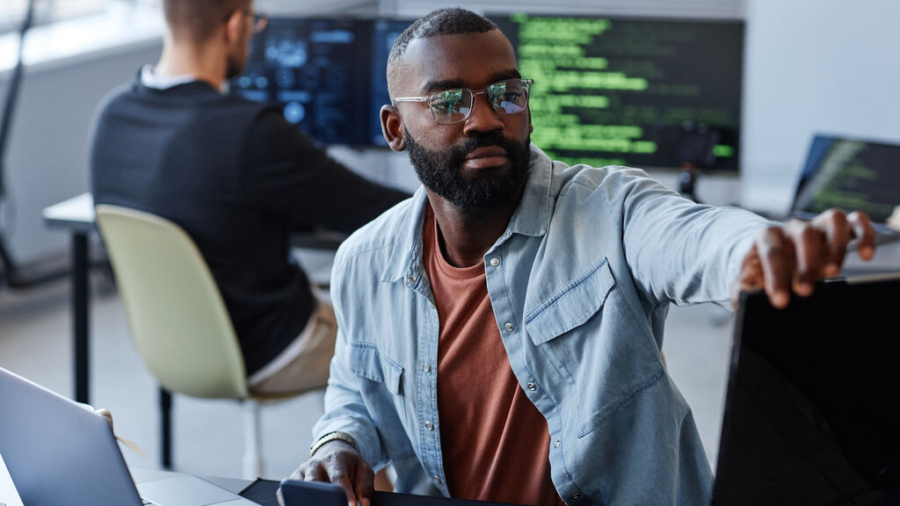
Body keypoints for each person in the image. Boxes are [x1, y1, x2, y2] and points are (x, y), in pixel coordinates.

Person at [287, 8, 877, 506]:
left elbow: (694, 236)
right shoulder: (365, 261)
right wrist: (338, 442)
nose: (487, 120)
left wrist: (759, 248)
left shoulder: (610, 209)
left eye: (505, 94)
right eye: (448, 103)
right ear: (395, 128)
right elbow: (353, 393)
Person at [89, 0, 408, 395]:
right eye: (254, 22)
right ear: (235, 25)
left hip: (168, 347)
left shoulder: (112, 115)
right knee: (411, 334)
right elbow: (375, 210)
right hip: (272, 347)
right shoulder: (250, 130)